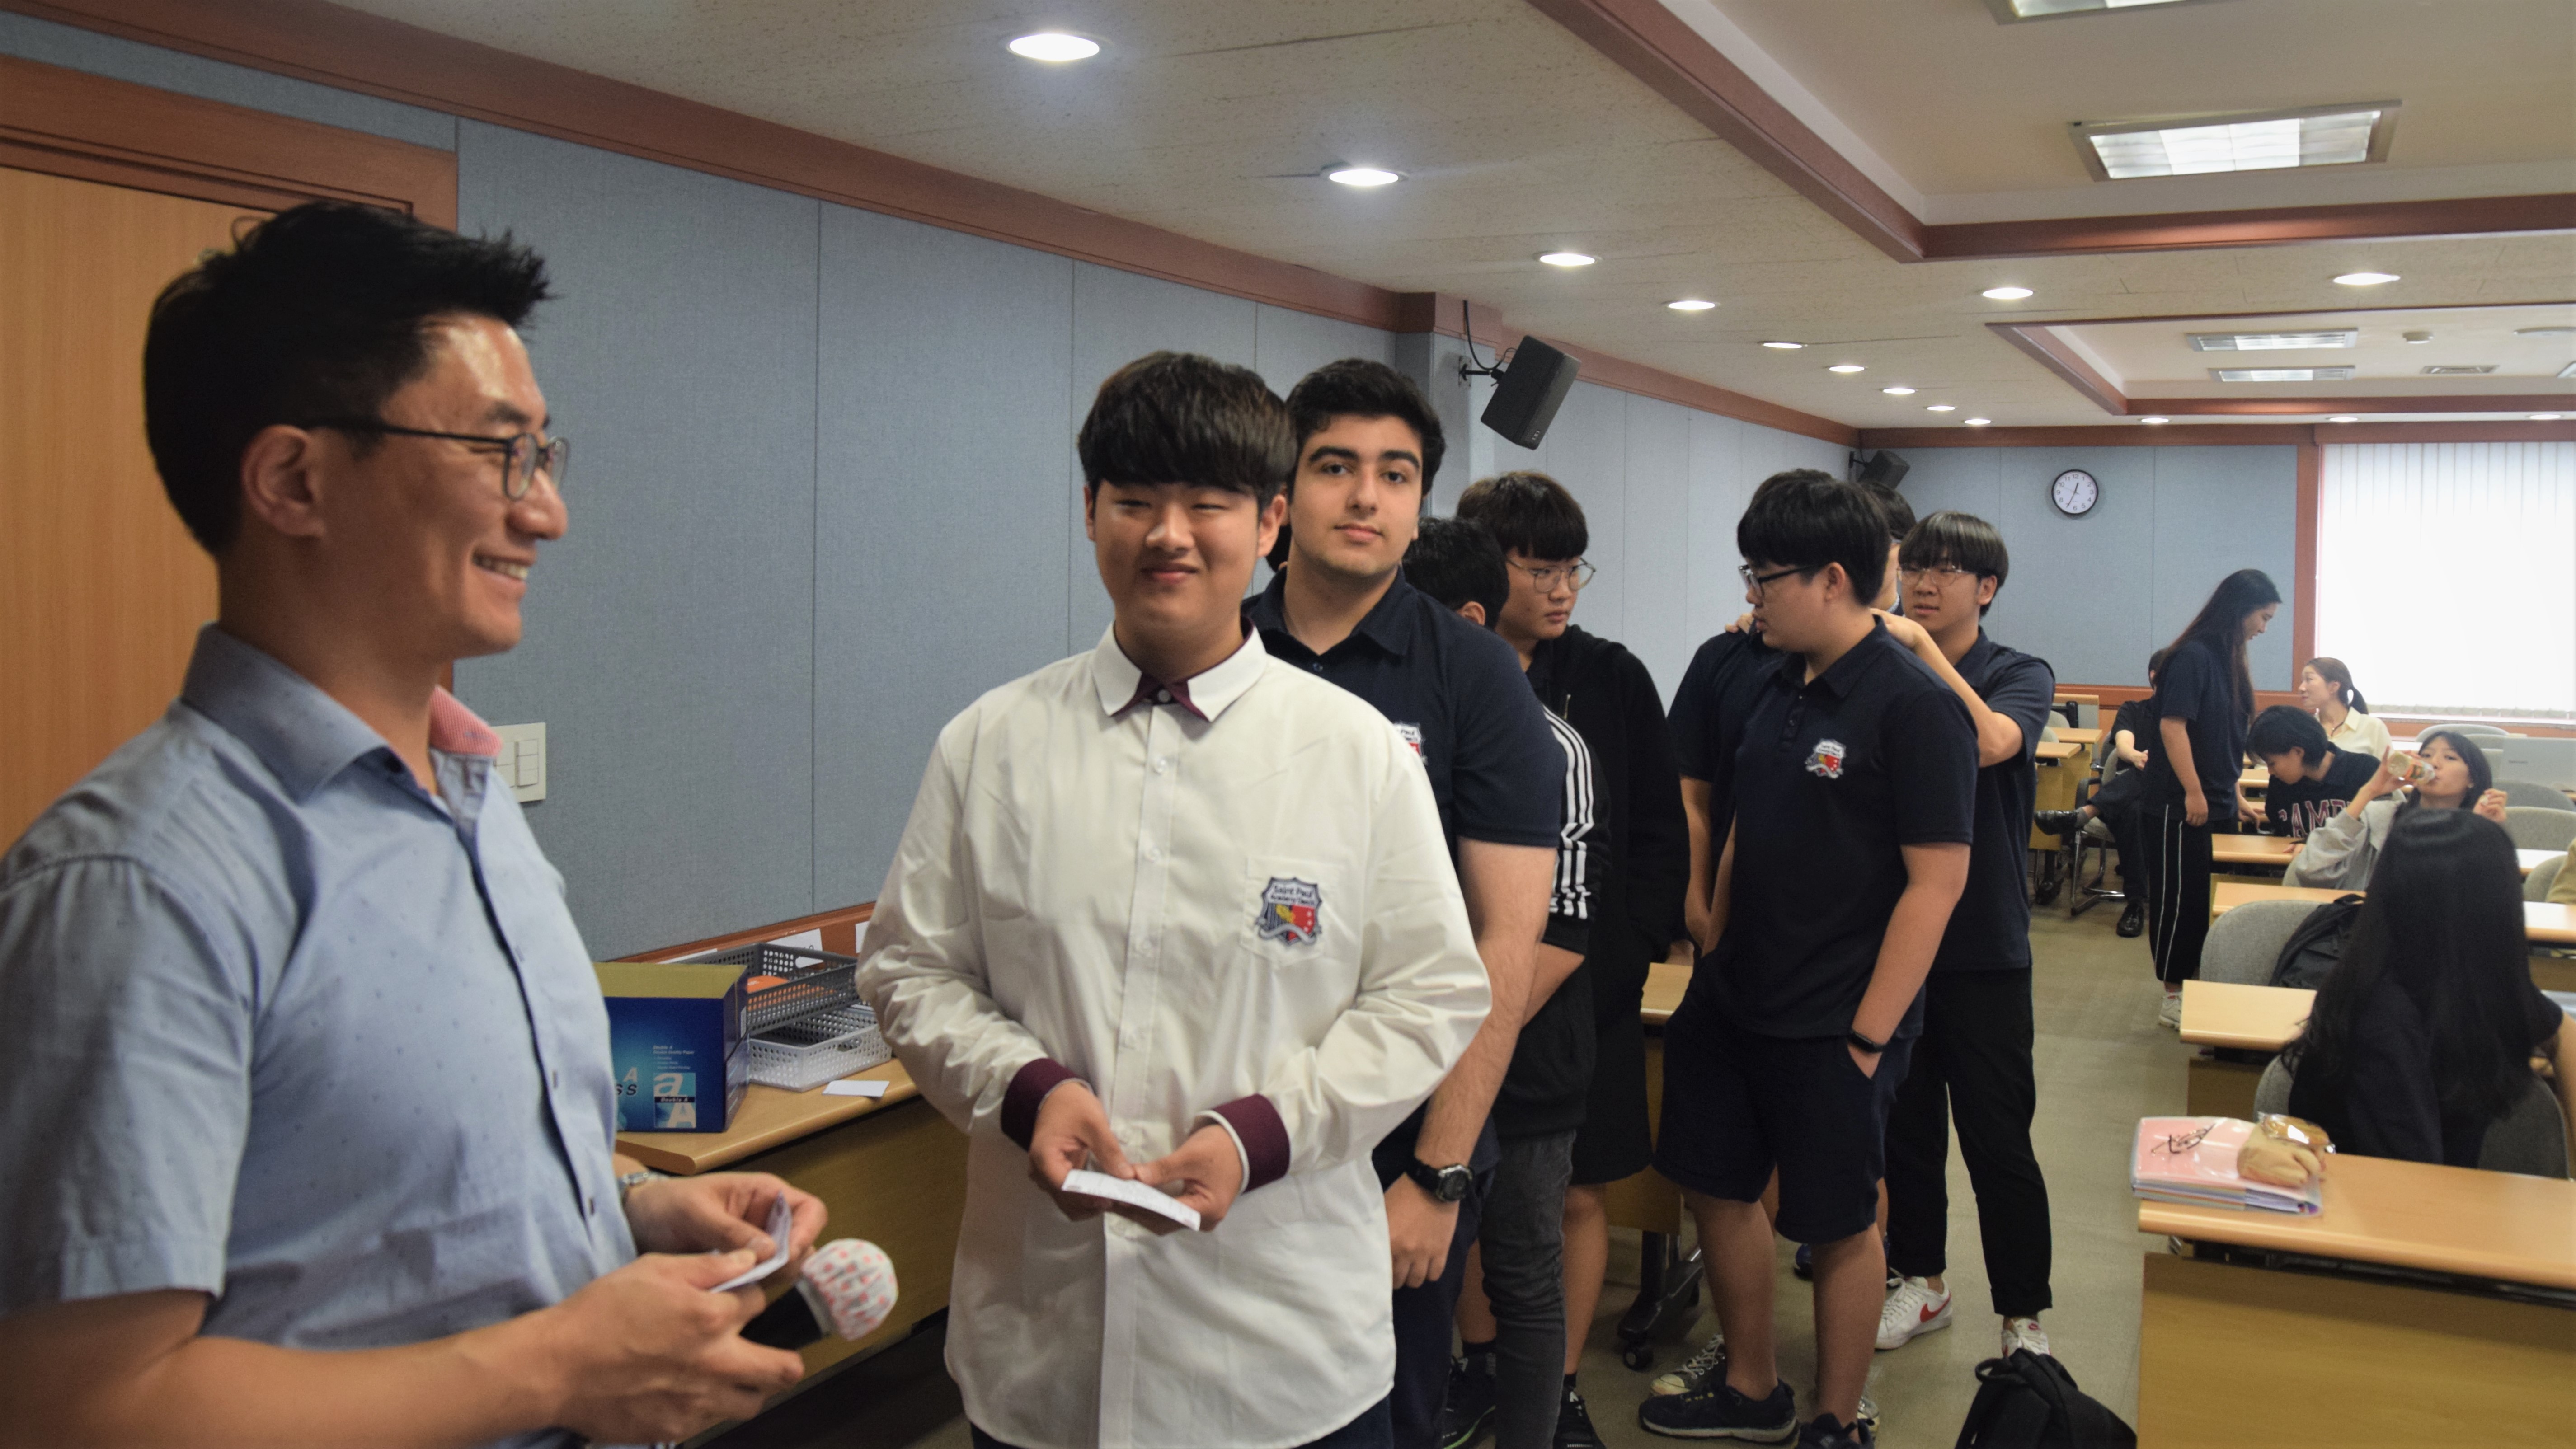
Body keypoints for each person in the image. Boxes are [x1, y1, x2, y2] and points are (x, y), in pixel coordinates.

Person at [0, 202, 825, 1449]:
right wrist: (553, 1368)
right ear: (294, 480)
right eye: (498, 452)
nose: (545, 512)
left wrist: (626, 1210)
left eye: (543, 454)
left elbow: (392, 1205)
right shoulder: (137, 882)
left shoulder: (469, 803)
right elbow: (80, 1406)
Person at [857, 352, 1493, 1449]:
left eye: (1208, 503)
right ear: (1089, 512)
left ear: (1270, 522)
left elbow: (1430, 994)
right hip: (1044, 1342)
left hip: (1282, 1351)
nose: (1168, 535)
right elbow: (910, 968)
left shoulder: (1353, 753)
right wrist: (1027, 1090)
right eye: (1134, 502)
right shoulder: (993, 743)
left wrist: (1261, 1135)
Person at [1245, 359, 1562, 1449]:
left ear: (1420, 499)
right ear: (1283, 491)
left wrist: (1440, 1171)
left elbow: (1506, 937)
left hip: (1399, 1142)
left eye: (1395, 473)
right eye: (1335, 465)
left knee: (1386, 1419)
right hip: (1235, 1115)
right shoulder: (1223, 651)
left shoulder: (1475, 674)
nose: (1365, 496)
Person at [1640, 475, 1975, 1449]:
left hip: (1837, 1017)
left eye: (1766, 576)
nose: (1752, 594)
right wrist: (1713, 936)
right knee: (1715, 1186)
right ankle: (1752, 1385)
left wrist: (1869, 1036)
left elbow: (1936, 885)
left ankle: (1835, 1419)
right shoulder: (1768, 681)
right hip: (1735, 996)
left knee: (1837, 1222)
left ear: (1832, 578)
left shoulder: (1914, 705)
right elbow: (1743, 818)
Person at [1451, 475, 1688, 1449]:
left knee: (1578, 1192)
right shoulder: (1449, 667)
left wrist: (1624, 958)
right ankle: (1480, 1367)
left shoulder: (1609, 677)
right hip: (1461, 986)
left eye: (1572, 568)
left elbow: (1656, 833)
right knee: (1465, 1184)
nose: (1561, 588)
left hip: (1583, 992)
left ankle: (1556, 1387)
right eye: (1538, 567)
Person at [1870, 512, 2059, 1364]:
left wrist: (1920, 649)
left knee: (1998, 1139)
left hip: (1984, 945)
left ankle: (2023, 1315)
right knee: (1906, 1132)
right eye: (1916, 566)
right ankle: (1923, 1279)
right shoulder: (1874, 663)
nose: (1925, 582)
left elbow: (1989, 742)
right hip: (1895, 941)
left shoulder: (2018, 671)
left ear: (1987, 588)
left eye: (1948, 570)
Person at [2281, 810, 2576, 1165]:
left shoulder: (2472, 980)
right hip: (2370, 1192)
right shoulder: (2385, 1014)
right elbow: (2414, 1170)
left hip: (2428, 1185)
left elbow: (2563, 1032)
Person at [2144, 568, 2281, 1028]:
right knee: (2179, 901)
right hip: (2179, 804)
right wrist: (2193, 790)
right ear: (2240, 609)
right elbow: (2173, 727)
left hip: (2217, 799)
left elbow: (2221, 737)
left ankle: (2202, 982)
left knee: (2208, 899)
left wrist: (2234, 791)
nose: (2264, 628)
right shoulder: (2193, 656)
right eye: (2263, 617)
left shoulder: (2229, 659)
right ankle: (2173, 992)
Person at [2033, 650, 2167, 938]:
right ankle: (2136, 904)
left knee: (2151, 778)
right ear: (2155, 677)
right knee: (2134, 807)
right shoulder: (2133, 709)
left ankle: (2084, 814)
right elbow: (2124, 744)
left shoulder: (2182, 719)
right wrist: (2136, 756)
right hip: (2125, 798)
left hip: (2165, 801)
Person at [2284, 729, 2510, 891]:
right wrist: (2369, 791)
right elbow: (2311, 872)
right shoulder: (2379, 817)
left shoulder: (2480, 825)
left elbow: (2475, 897)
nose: (2434, 763)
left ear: (2472, 779)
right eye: (2427, 755)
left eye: (2450, 757)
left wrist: (2480, 831)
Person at [2244, 706, 2380, 838]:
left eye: (2272, 763)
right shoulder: (2280, 784)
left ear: (2298, 752)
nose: (2270, 771)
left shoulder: (2365, 771)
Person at [2297, 657, 2392, 763]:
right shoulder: (2306, 729)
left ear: (2334, 687)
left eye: (2309, 680)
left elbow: (2389, 770)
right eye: (2302, 681)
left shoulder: (2373, 727)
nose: (2301, 688)